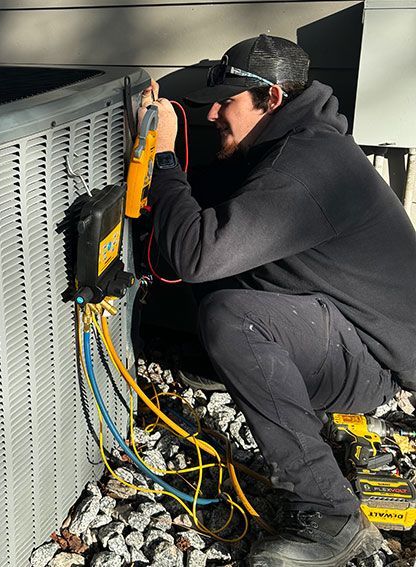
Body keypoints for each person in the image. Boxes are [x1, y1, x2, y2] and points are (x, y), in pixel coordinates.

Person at [140, 34, 416, 566]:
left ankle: (330, 513)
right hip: (336, 320)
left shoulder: (309, 167)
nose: (214, 113)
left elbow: (195, 255)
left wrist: (165, 156)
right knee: (221, 243)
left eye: (227, 102)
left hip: (372, 362)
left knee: (233, 318)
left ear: (271, 100)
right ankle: (249, 370)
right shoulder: (289, 143)